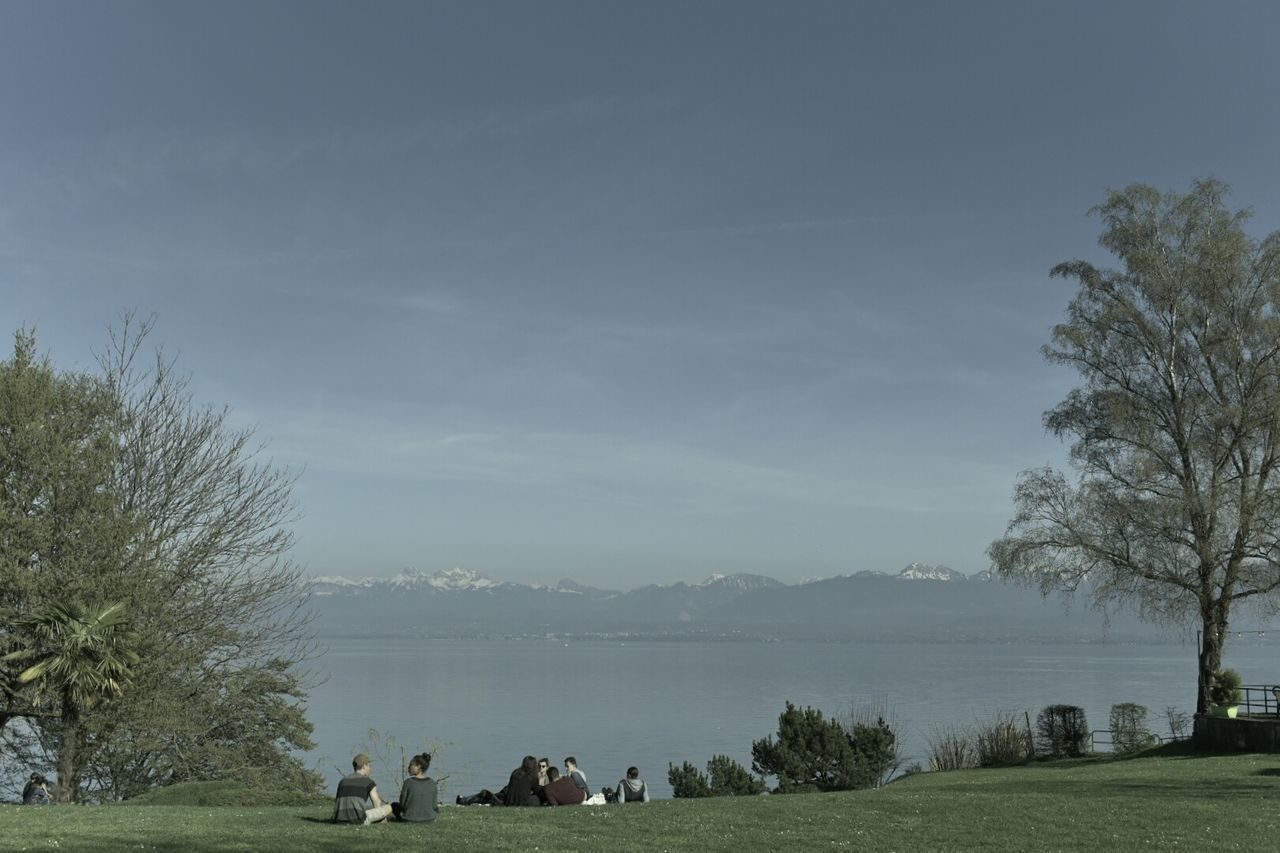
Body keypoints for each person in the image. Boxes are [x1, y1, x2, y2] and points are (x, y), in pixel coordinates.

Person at [333, 753, 393, 824]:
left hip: (338, 819)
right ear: (364, 766)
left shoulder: (342, 781)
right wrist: (383, 819)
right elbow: (377, 804)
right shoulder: (368, 782)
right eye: (369, 766)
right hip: (358, 820)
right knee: (391, 807)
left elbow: (337, 801)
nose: (370, 769)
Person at [392, 752, 438, 823]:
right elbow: (434, 806)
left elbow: (402, 804)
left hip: (409, 819)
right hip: (430, 819)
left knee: (394, 805)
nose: (408, 767)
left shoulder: (408, 782)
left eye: (411, 765)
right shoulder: (433, 783)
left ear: (419, 766)